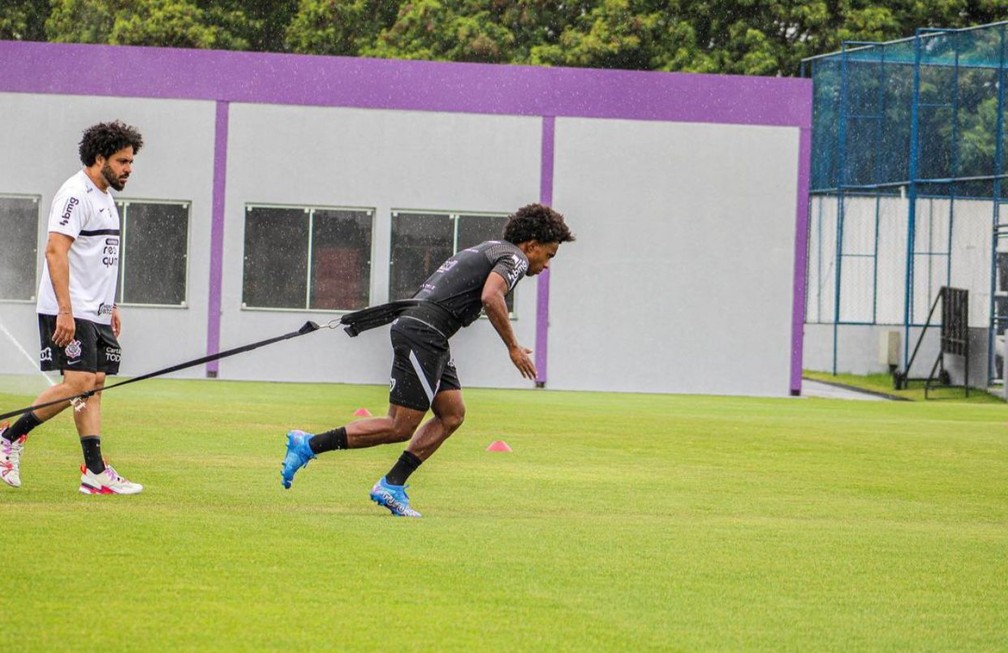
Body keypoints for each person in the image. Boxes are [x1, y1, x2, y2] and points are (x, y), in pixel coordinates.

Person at [280, 203, 575, 517]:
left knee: (452, 414)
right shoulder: (513, 257)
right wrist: (513, 347)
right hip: (424, 334)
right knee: (400, 426)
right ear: (531, 245)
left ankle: (392, 484)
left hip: (428, 334)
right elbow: (491, 296)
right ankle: (310, 444)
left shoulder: (489, 248)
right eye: (549, 254)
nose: (546, 265)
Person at [0, 120, 144, 495]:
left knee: (93, 385)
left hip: (94, 311)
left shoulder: (106, 198)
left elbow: (99, 259)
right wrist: (65, 310)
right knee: (78, 383)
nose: (129, 168)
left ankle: (94, 472)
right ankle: (8, 437)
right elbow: (55, 251)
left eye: (131, 161)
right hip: (69, 309)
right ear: (100, 158)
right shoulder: (75, 195)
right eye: (122, 161)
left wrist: (109, 304)